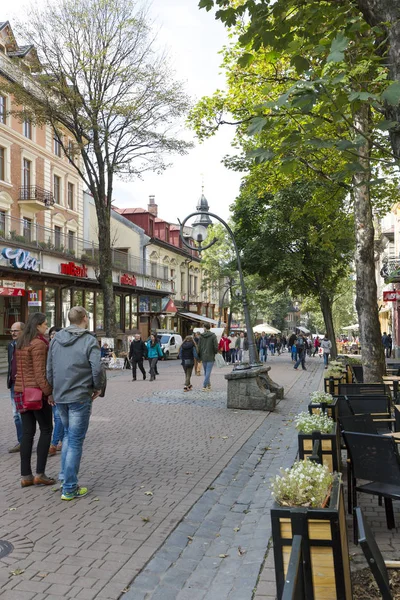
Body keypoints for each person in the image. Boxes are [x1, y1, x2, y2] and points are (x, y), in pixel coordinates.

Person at [47, 306, 105, 501]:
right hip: (79, 395)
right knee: (74, 440)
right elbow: (96, 368)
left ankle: (64, 479)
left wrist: (51, 391)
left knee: (67, 436)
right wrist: (97, 387)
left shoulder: (55, 340)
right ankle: (70, 487)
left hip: (61, 395)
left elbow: (49, 368)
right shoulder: (89, 340)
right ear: (85, 319)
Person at [14, 313, 55, 488]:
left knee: (28, 433)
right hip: (36, 393)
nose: (47, 327)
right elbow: (40, 373)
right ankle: (40, 473)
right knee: (46, 429)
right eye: (45, 324)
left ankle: (26, 476)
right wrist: (49, 392)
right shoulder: (38, 344)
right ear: (37, 325)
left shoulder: (21, 342)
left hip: (21, 392)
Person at [7, 321, 24, 453]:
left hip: (24, 384)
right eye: (11, 331)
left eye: (16, 330)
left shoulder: (26, 345)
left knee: (23, 413)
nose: (13, 333)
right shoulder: (11, 345)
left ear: (23, 331)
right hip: (13, 384)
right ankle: (21, 441)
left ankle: (25, 441)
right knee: (16, 415)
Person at [48, 326, 64, 457]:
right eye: (52, 334)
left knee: (58, 417)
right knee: (58, 417)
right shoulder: (46, 348)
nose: (53, 336)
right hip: (50, 388)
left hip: (61, 388)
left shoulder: (64, 349)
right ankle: (62, 440)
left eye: (56, 334)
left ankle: (53, 444)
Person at [197, 323, 218, 391]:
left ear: (204, 328)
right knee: (208, 372)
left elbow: (199, 346)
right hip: (210, 355)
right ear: (210, 327)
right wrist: (215, 352)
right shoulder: (213, 336)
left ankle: (209, 385)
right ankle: (204, 385)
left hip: (203, 355)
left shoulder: (201, 336)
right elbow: (215, 346)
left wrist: (199, 355)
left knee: (206, 372)